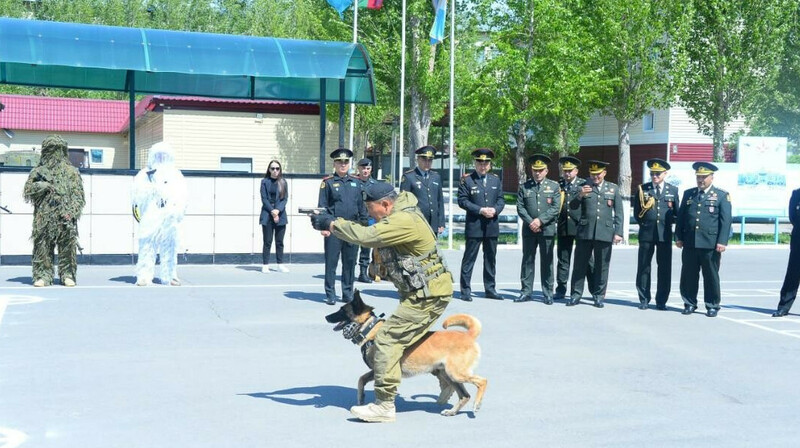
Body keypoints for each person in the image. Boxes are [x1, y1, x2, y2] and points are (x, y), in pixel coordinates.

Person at [310, 181, 452, 422]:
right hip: (423, 292)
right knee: (406, 340)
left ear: (386, 204)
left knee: (386, 339)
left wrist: (332, 224)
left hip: (427, 296)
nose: (368, 212)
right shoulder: (399, 214)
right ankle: (447, 379)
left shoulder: (402, 220)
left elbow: (367, 236)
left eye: (370, 207)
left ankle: (384, 405)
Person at [23, 135, 85, 287]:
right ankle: (43, 275)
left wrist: (72, 212)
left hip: (65, 216)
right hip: (43, 217)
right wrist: (40, 186)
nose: (55, 154)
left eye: (58, 150)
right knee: (42, 246)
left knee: (68, 247)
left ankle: (68, 274)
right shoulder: (38, 172)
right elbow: (27, 191)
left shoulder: (72, 172)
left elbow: (78, 196)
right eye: (51, 150)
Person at [675, 162, 732, 317]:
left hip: (710, 244)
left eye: (704, 177)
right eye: (698, 177)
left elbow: (725, 221)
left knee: (711, 276)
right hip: (690, 242)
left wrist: (722, 241)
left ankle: (712, 304)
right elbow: (681, 218)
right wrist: (678, 237)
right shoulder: (689, 194)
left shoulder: (721, 195)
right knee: (688, 275)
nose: (700, 180)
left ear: (711, 177)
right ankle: (689, 303)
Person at [568, 160, 624, 308]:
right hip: (585, 232)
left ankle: (599, 296)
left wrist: (618, 232)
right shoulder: (582, 187)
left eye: (598, 174)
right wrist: (580, 195)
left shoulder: (613, 188)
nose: (595, 177)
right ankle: (575, 295)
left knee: (602, 266)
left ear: (604, 173)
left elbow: (619, 212)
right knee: (579, 265)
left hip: (604, 232)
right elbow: (572, 208)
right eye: (592, 174)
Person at [131, 142, 188, 286]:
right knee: (147, 247)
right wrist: (151, 190)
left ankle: (170, 275)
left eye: (165, 156)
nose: (161, 159)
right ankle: (144, 276)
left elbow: (182, 196)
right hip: (151, 216)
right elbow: (137, 198)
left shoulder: (176, 175)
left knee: (170, 247)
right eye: (158, 156)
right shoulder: (144, 174)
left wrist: (177, 211)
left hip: (169, 218)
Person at [318, 148, 368, 305]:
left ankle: (347, 293)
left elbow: (362, 208)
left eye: (346, 162)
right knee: (331, 262)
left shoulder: (356, 182)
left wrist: (364, 227)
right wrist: (325, 227)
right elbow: (322, 207)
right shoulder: (328, 183)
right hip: (334, 228)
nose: (343, 164)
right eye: (340, 162)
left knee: (350, 262)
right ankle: (330, 294)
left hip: (352, 228)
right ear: (335, 163)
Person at [458, 148, 505, 301]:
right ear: (475, 163)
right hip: (475, 225)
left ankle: (490, 289)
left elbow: (501, 200)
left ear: (490, 165)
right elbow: (462, 201)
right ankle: (465, 290)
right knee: (469, 259)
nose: (483, 166)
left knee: (490, 259)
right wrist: (480, 210)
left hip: (491, 225)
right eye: (480, 162)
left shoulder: (495, 180)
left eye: (486, 163)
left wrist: (495, 210)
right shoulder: (468, 180)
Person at [633, 158, 679, 310]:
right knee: (644, 267)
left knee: (664, 268)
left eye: (658, 174)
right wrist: (646, 226)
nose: (655, 176)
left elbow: (676, 213)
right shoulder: (643, 189)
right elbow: (637, 213)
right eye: (652, 173)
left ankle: (661, 300)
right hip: (647, 234)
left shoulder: (673, 190)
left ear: (665, 174)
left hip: (664, 235)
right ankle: (644, 298)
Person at [515, 154, 561, 304]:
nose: (537, 173)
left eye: (541, 170)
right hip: (529, 230)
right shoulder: (524, 186)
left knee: (547, 261)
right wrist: (531, 222)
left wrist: (540, 221)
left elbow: (555, 208)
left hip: (546, 229)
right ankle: (526, 292)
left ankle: (547, 292)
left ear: (546, 171)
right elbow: (520, 207)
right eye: (535, 170)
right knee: (527, 261)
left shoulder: (554, 186)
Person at [555, 156, 596, 301]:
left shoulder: (584, 184)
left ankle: (594, 290)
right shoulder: (559, 184)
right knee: (563, 260)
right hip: (564, 227)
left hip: (580, 227)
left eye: (570, 171)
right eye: (565, 171)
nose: (567, 174)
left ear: (576, 171)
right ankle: (561, 289)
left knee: (587, 260)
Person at [400, 145, 445, 235]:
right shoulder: (409, 177)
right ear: (418, 159)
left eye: (430, 160)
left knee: (432, 247)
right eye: (424, 159)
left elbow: (440, 201)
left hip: (433, 222)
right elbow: (404, 202)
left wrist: (441, 222)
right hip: (416, 221)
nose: (427, 163)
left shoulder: (436, 177)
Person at [773, 187, 800, 317]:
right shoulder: (797, 194)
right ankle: (784, 306)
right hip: (799, 240)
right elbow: (793, 217)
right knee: (792, 275)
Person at [259, 159, 288, 273]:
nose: (275, 171)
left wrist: (277, 210)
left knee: (280, 241)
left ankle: (280, 264)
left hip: (281, 214)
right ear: (269, 170)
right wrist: (272, 211)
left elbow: (285, 199)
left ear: (280, 170)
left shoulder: (283, 182)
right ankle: (265, 264)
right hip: (267, 214)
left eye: (277, 168)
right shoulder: (264, 182)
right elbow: (264, 199)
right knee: (267, 241)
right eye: (273, 168)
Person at [355, 158, 377, 283]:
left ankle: (363, 273)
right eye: (363, 168)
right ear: (358, 168)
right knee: (352, 246)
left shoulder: (374, 184)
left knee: (366, 247)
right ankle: (348, 271)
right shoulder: (353, 182)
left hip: (369, 218)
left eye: (368, 168)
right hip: (355, 218)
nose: (365, 171)